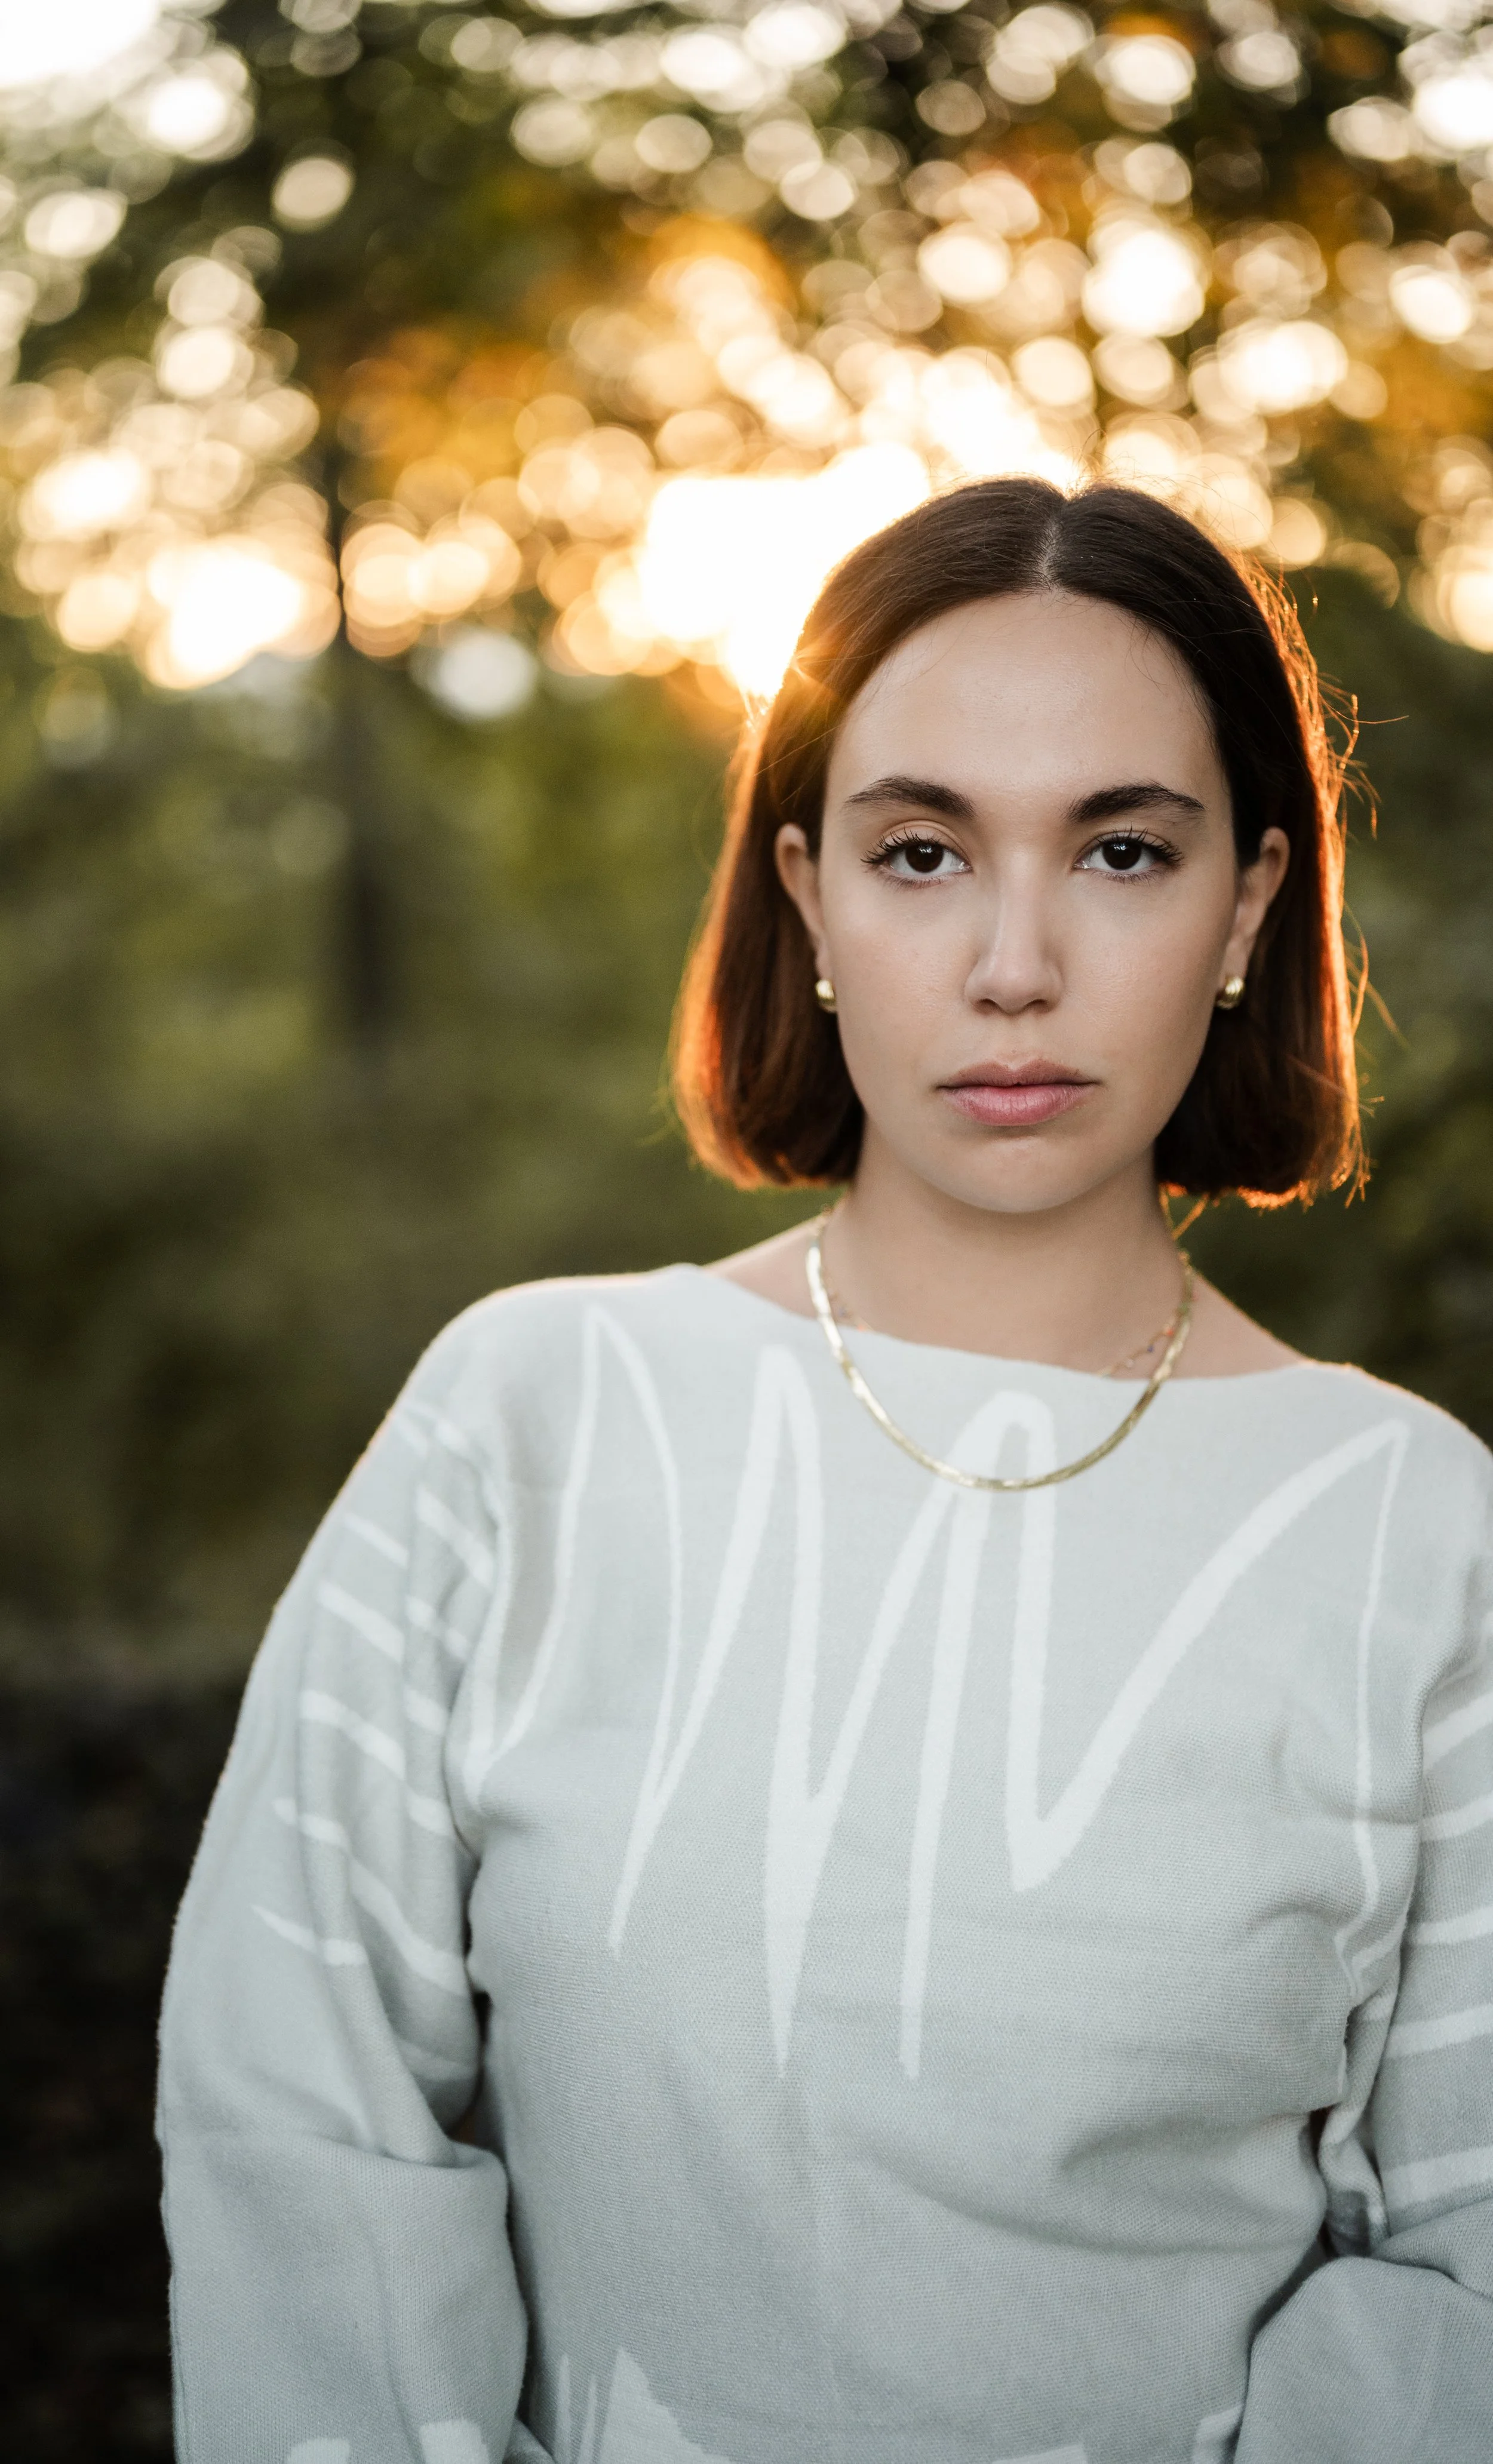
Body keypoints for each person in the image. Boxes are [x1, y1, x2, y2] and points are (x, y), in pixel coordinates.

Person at [157, 478, 1493, 2464]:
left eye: (1123, 849)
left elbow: (1468, 2279)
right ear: (807, 898)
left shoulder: (1414, 1531)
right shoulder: (530, 1420)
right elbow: (298, 2127)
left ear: (1244, 905)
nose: (1015, 962)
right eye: (920, 850)